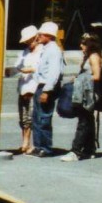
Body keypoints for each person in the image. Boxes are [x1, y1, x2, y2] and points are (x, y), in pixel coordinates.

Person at [62, 33, 102, 162]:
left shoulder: (94, 57)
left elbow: (97, 76)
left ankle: (76, 151)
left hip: (89, 94)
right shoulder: (88, 56)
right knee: (88, 120)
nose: (81, 45)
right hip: (84, 92)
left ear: (91, 44)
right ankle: (89, 150)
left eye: (84, 43)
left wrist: (80, 79)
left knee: (84, 121)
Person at [31, 21, 64, 157]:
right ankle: (38, 146)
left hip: (47, 87)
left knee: (44, 117)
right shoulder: (45, 49)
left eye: (41, 34)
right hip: (41, 85)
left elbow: (54, 73)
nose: (38, 36)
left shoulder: (54, 51)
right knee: (36, 117)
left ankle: (46, 148)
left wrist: (46, 91)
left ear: (49, 36)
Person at [14, 25, 41, 155]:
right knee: (23, 118)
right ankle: (25, 142)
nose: (28, 43)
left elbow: (43, 68)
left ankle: (33, 144)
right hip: (23, 87)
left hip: (34, 87)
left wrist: (31, 69)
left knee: (32, 117)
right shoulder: (24, 52)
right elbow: (17, 67)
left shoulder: (42, 52)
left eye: (29, 40)